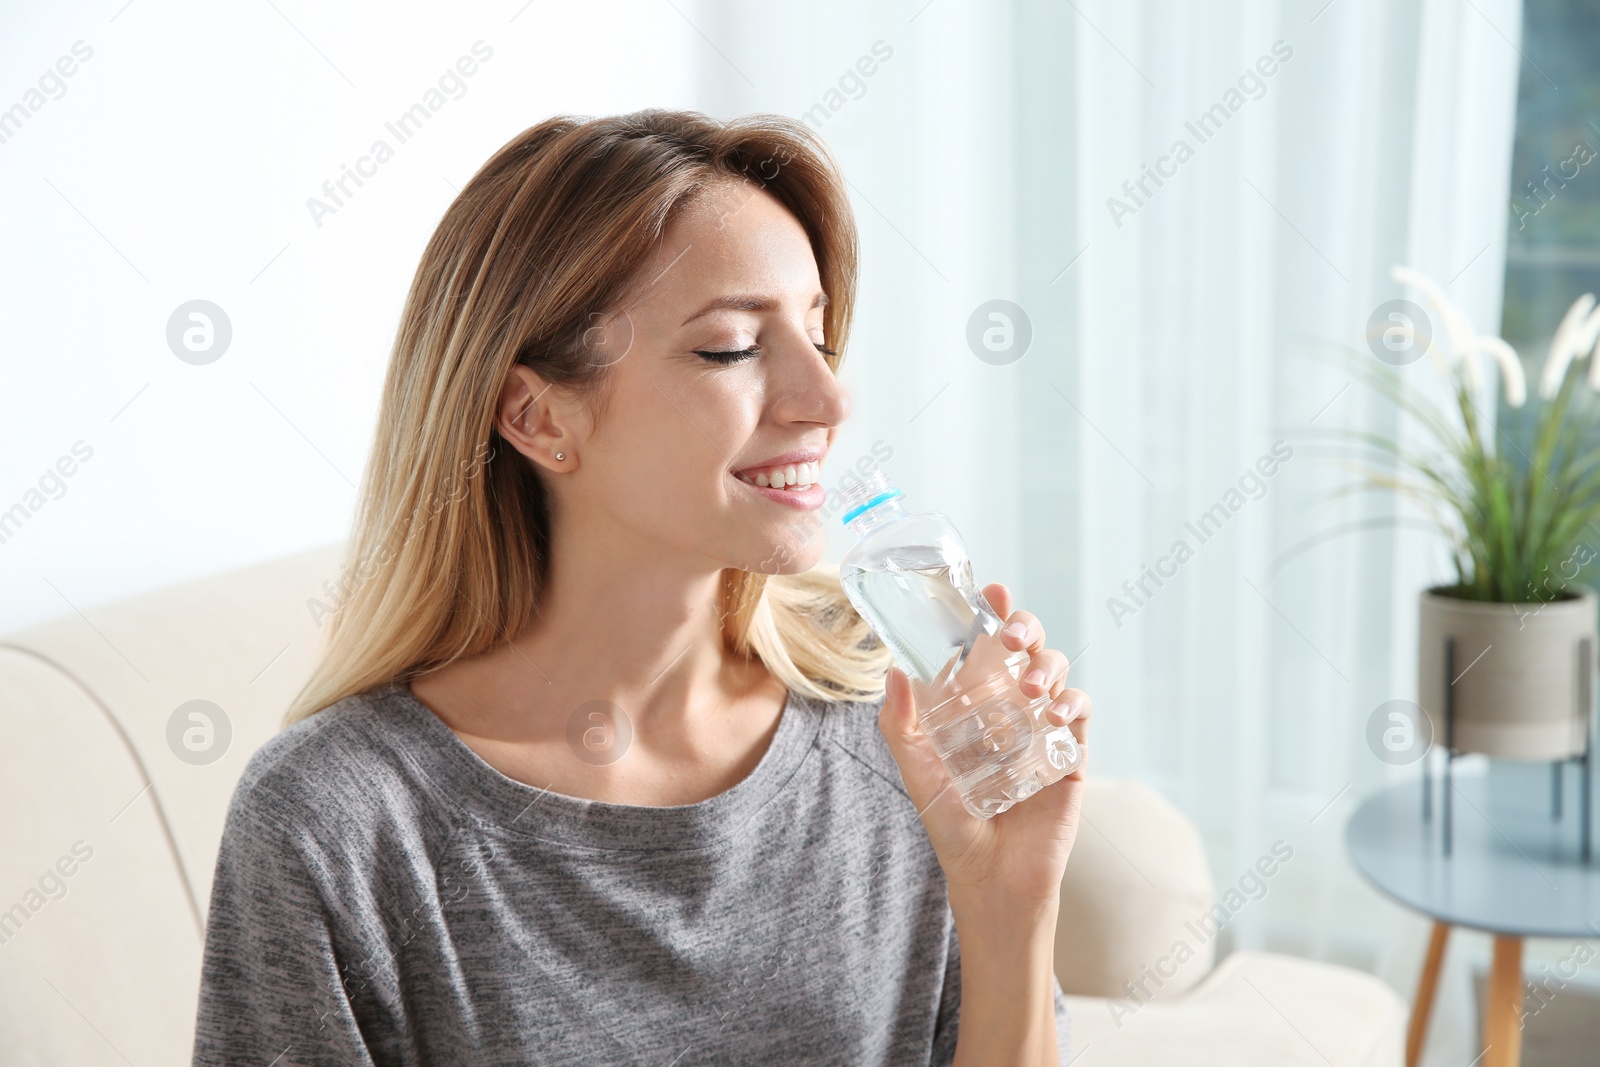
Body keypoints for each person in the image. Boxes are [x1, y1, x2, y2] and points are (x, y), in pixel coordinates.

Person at [191, 108, 1092, 1067]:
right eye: (732, 347)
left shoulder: (898, 734)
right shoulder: (337, 823)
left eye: (819, 337)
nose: (827, 400)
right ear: (537, 417)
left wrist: (1011, 914)